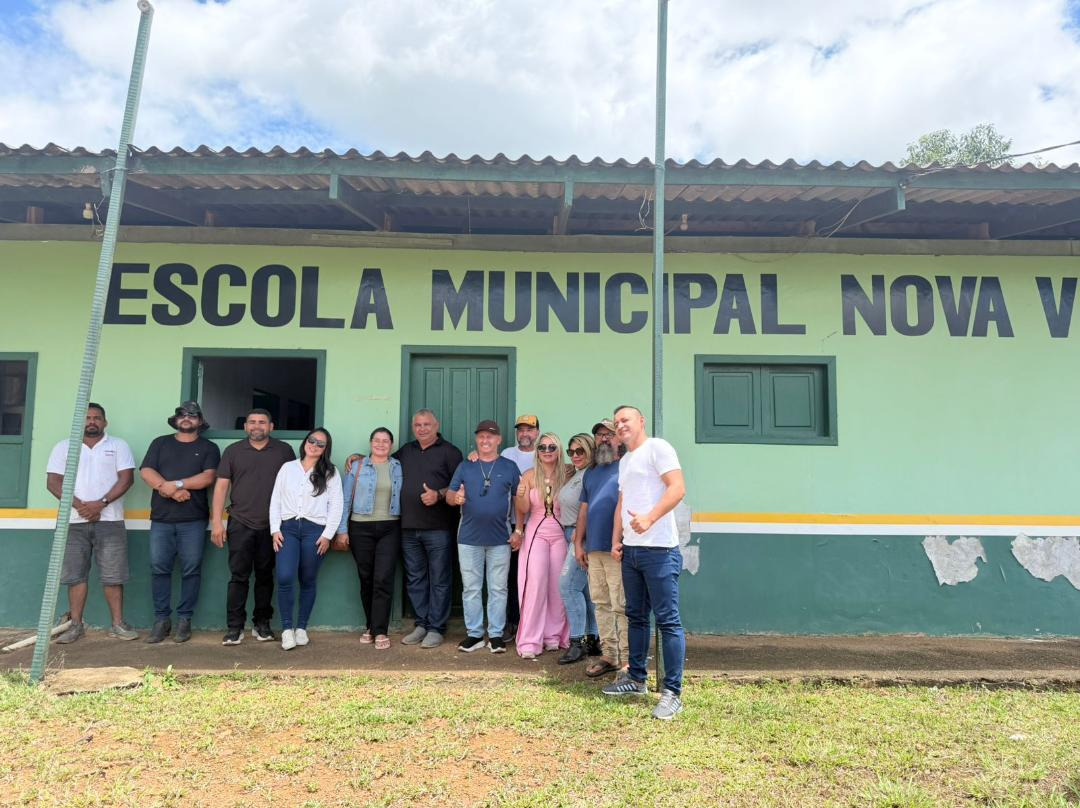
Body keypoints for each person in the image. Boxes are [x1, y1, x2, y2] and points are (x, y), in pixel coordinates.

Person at [601, 406, 688, 721]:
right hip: (632, 551)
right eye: (617, 422)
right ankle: (636, 679)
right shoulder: (625, 460)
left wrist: (650, 518)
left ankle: (672, 693)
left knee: (668, 621)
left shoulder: (658, 448)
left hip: (660, 550)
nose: (620, 425)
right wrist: (617, 539)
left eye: (625, 419)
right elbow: (622, 503)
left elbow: (677, 488)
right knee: (636, 617)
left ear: (641, 421)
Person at [46, 403, 138, 643]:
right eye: (87, 418)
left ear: (105, 422)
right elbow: (53, 482)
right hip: (73, 522)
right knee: (76, 576)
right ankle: (76, 626)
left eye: (97, 418)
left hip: (110, 520)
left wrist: (101, 504)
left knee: (113, 576)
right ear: (80, 421)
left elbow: (127, 479)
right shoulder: (63, 447)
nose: (92, 421)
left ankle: (117, 624)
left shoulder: (118, 446)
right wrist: (81, 506)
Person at [211, 408, 296, 646]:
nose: (257, 426)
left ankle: (262, 624)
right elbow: (221, 487)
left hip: (273, 525)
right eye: (252, 422)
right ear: (245, 426)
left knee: (265, 576)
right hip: (240, 522)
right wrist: (217, 522)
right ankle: (234, 627)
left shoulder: (284, 451)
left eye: (262, 422)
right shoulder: (233, 451)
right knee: (238, 577)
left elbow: (297, 481)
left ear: (271, 427)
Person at [139, 401, 220, 644]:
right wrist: (170, 490)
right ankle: (161, 620)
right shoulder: (160, 443)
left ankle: (184, 619)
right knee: (159, 568)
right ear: (175, 420)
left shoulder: (208, 447)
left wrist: (177, 484)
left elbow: (208, 477)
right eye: (182, 415)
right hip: (161, 519)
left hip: (193, 520)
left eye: (192, 416)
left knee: (191, 569)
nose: (187, 418)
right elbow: (146, 471)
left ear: (200, 421)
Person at [389, 409, 463, 649]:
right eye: (418, 425)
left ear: (436, 425)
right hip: (408, 528)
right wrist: (358, 457)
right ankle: (421, 624)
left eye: (426, 424)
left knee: (440, 579)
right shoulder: (405, 451)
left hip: (438, 528)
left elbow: (461, 485)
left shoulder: (450, 452)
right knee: (415, 579)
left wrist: (439, 494)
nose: (422, 429)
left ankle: (436, 628)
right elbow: (383, 460)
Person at [446, 420, 521, 654]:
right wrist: (455, 498)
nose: (485, 440)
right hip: (468, 538)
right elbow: (449, 495)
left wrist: (519, 530)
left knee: (498, 589)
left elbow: (519, 501)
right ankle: (475, 634)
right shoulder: (465, 466)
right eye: (481, 436)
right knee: (471, 588)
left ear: (499, 440)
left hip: (500, 538)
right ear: (476, 440)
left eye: (490, 436)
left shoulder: (509, 467)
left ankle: (496, 635)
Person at [270, 427, 343, 650]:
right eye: (312, 440)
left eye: (321, 444)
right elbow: (275, 499)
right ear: (305, 442)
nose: (314, 445)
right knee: (285, 576)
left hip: (315, 531)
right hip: (288, 529)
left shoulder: (330, 472)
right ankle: (287, 629)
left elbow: (336, 505)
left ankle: (301, 627)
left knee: (308, 578)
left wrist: (327, 535)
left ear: (325, 449)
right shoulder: (287, 468)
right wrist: (275, 529)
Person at [337, 427, 402, 650]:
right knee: (366, 578)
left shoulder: (398, 466)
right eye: (377, 440)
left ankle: (380, 630)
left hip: (390, 527)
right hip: (360, 527)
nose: (381, 444)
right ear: (370, 442)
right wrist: (342, 530)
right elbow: (346, 499)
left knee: (383, 578)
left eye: (386, 441)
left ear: (391, 445)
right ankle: (370, 626)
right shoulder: (357, 466)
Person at [575, 418, 628, 678]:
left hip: (618, 549)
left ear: (620, 439)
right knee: (601, 603)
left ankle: (628, 660)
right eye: (599, 435)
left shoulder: (628, 467)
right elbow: (584, 510)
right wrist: (578, 543)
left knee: (621, 605)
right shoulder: (591, 472)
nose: (604, 438)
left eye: (609, 434)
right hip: (594, 548)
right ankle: (609, 655)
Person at [513, 431, 570, 660]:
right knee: (535, 585)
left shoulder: (567, 474)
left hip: (560, 534)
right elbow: (523, 509)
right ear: (537, 451)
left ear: (559, 451)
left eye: (552, 447)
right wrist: (520, 496)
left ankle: (553, 636)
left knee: (558, 586)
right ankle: (529, 640)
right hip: (536, 533)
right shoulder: (529, 475)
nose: (547, 451)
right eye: (542, 447)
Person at [556, 433, 599, 665]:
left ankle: (577, 642)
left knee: (568, 586)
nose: (575, 455)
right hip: (571, 534)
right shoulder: (578, 473)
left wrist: (580, 538)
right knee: (585, 591)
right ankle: (593, 639)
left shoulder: (591, 475)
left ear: (591, 450)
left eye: (580, 451)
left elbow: (592, 508)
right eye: (571, 452)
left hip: (580, 536)